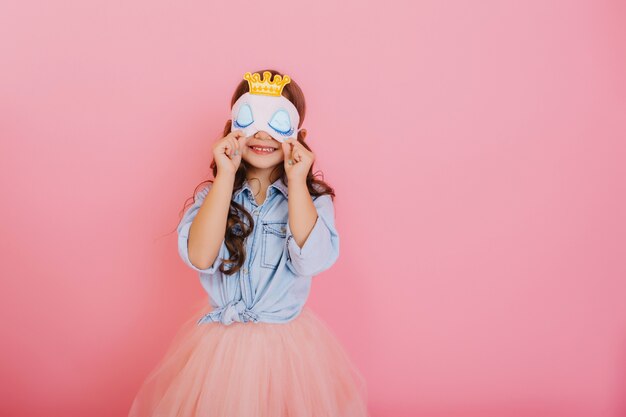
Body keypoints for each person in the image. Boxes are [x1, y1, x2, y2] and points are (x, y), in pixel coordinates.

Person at [128, 69, 369, 417]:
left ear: (298, 135)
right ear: (232, 127)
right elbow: (199, 255)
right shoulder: (213, 196)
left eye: (278, 122)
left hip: (288, 353)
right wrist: (225, 175)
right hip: (219, 351)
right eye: (249, 119)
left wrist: (298, 182)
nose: (262, 133)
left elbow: (312, 261)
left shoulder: (311, 201)